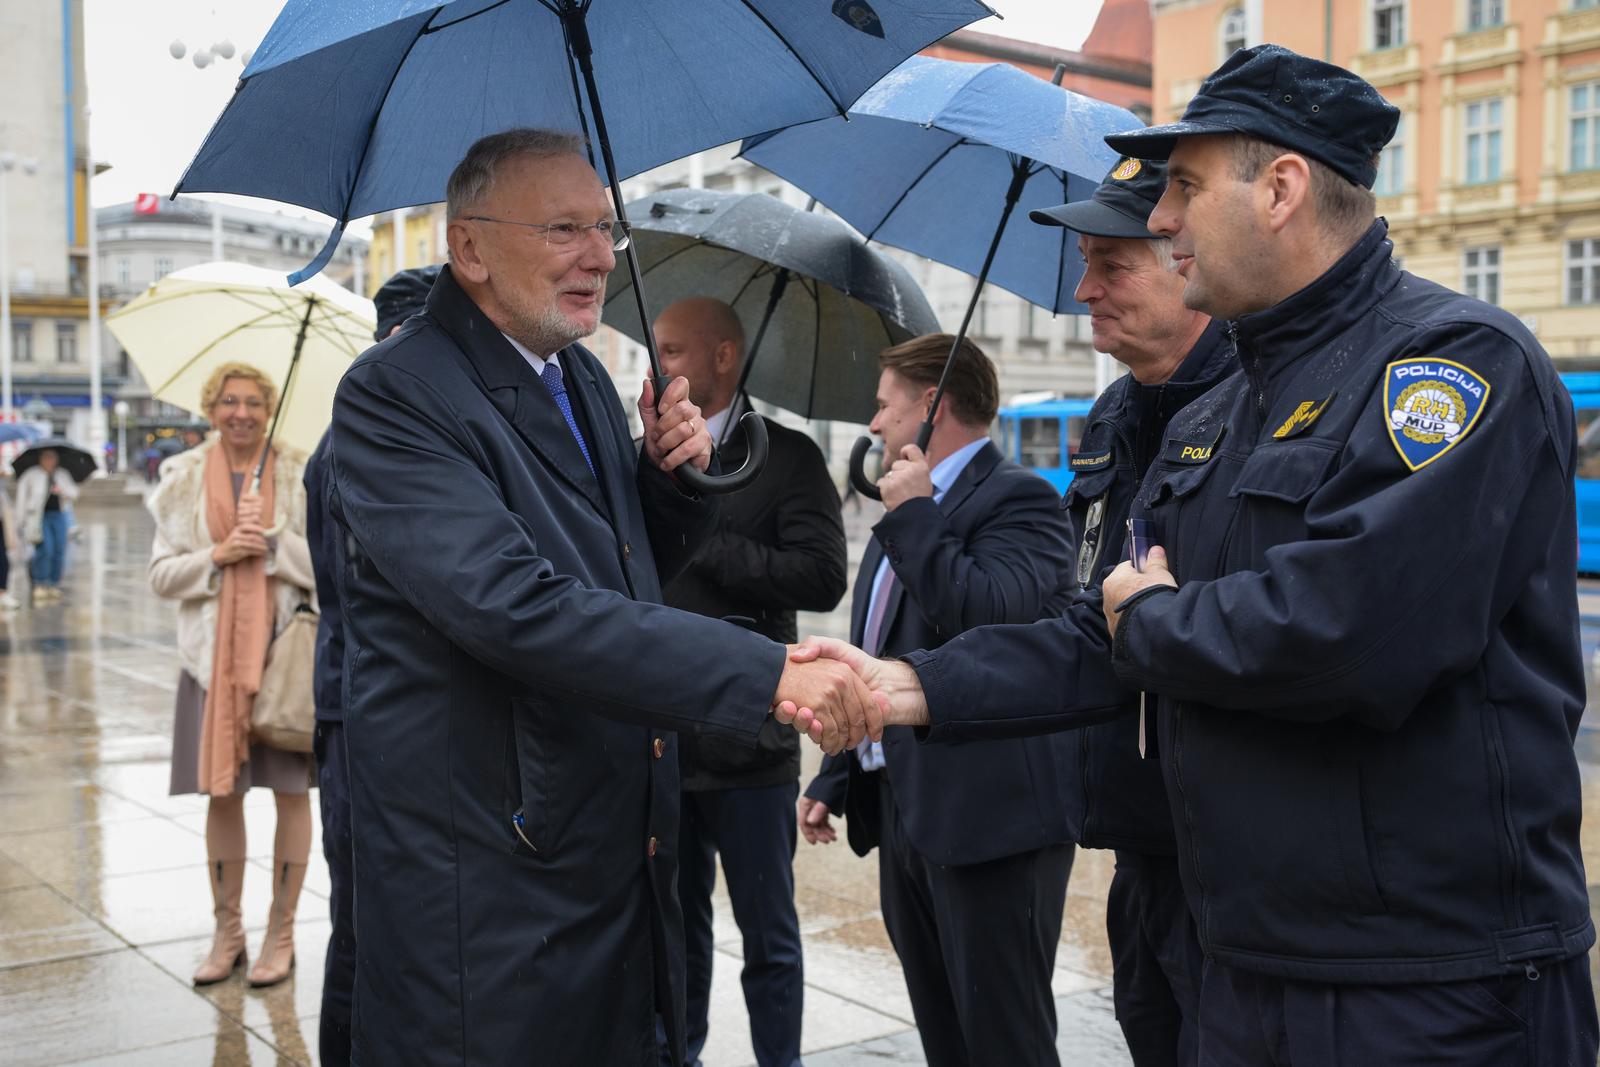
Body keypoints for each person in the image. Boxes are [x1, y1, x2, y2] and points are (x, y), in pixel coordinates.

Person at [790, 43, 1598, 1066]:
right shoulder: (1216, 411)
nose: (1162, 218)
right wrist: (907, 684)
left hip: (1426, 979)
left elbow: (1344, 633)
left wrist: (1151, 616)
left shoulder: (1451, 363)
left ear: (1281, 189)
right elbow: (1096, 635)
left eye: (1182, 186)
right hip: (1245, 955)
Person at [325, 128, 879, 1067]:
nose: (599, 257)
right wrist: (766, 670)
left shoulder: (577, 373)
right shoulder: (395, 393)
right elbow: (516, 606)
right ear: (469, 247)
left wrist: (663, 481)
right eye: (563, 229)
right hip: (493, 884)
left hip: (606, 851)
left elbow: (617, 569)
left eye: (605, 228)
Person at [799, 334, 1079, 1067]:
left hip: (990, 819)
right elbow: (880, 640)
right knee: (944, 1032)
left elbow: (992, 625)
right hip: (907, 806)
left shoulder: (1020, 498)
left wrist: (918, 515)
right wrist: (838, 773)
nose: (873, 423)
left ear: (932, 405)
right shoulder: (906, 501)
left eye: (884, 405)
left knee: (1005, 1039)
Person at [1024, 156, 1233, 1067]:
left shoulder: (1256, 398)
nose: (1084, 291)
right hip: (1136, 838)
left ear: (1187, 261)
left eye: (1111, 264)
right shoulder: (1115, 409)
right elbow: (1087, 611)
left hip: (1230, 860)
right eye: (1085, 264)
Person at [653, 296, 848, 1067]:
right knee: (676, 927)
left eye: (673, 350)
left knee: (769, 932)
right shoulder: (648, 455)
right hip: (665, 732)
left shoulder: (788, 456)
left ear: (724, 356)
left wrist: (708, 541)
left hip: (752, 739)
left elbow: (823, 574)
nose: (659, 365)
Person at [304, 263, 441, 1067]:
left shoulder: (365, 431)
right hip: (360, 712)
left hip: (366, 703)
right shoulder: (362, 441)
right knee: (362, 920)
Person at [147, 361, 318, 990]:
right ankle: (228, 934)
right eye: (228, 401)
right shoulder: (183, 478)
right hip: (210, 666)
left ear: (269, 410)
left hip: (281, 665)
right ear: (211, 409)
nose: (240, 412)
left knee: (291, 795)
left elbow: (330, 567)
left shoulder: (300, 474)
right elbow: (161, 575)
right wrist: (219, 556)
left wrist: (273, 546)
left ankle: (281, 934)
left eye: (252, 402)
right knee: (222, 794)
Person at [17, 449, 78, 603]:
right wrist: (20, 520)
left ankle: (53, 583)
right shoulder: (31, 475)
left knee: (59, 549)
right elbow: (22, 497)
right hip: (39, 516)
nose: (49, 461)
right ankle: (40, 582)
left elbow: (74, 493)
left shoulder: (62, 474)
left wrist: (62, 491)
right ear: (41, 459)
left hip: (59, 515)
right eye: (46, 458)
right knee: (45, 548)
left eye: (52, 458)